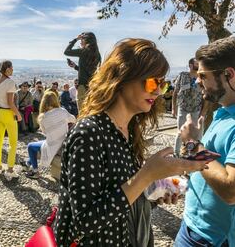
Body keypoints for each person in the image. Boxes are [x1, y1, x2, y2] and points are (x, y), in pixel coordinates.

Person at [53, 38, 209, 247]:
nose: (157, 91)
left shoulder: (129, 130)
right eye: (153, 82)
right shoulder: (88, 134)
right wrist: (145, 176)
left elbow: (119, 197)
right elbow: (83, 222)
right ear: (123, 77)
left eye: (162, 85)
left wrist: (152, 194)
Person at [174, 36, 235, 247]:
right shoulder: (224, 114)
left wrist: (193, 143)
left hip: (210, 239)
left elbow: (231, 191)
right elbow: (210, 164)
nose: (197, 81)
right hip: (195, 228)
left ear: (229, 75)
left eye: (202, 76)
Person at [22, 91, 76, 179]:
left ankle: (35, 171)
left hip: (53, 145)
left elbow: (45, 133)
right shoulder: (62, 111)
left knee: (30, 146)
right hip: (64, 143)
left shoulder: (43, 117)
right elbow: (74, 119)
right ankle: (28, 163)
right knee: (38, 146)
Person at [0, 60, 22, 181]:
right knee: (13, 143)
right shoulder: (10, 82)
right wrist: (18, 114)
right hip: (7, 114)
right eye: (11, 68)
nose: (13, 70)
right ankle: (10, 170)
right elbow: (10, 103)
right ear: (6, 69)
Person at [172, 58, 205, 156]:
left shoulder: (201, 78)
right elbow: (175, 92)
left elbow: (204, 96)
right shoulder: (183, 75)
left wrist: (203, 111)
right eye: (196, 63)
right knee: (180, 132)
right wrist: (174, 108)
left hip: (196, 110)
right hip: (183, 108)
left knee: (196, 134)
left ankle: (193, 154)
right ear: (190, 64)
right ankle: (176, 153)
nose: (198, 64)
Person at [64, 32, 101, 111]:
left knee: (82, 112)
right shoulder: (98, 54)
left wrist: (75, 39)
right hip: (93, 87)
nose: (80, 41)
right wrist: (76, 67)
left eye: (82, 39)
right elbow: (90, 71)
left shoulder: (83, 51)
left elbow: (66, 51)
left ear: (86, 40)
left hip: (83, 88)